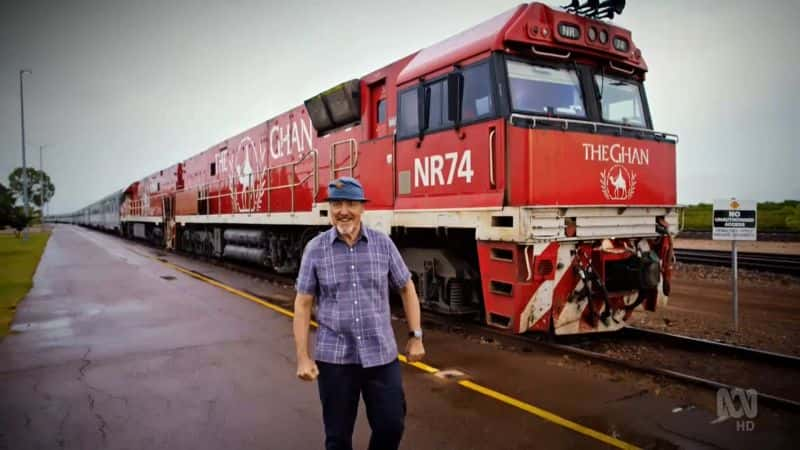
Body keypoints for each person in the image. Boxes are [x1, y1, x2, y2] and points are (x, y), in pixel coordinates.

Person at [293, 176, 425, 450]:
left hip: (381, 354)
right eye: (336, 203)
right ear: (330, 208)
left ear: (362, 208)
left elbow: (407, 287)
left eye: (351, 203)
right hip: (335, 359)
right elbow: (303, 303)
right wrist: (303, 357)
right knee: (338, 438)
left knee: (391, 426)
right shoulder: (315, 250)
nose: (343, 210)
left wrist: (416, 336)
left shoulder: (383, 244)